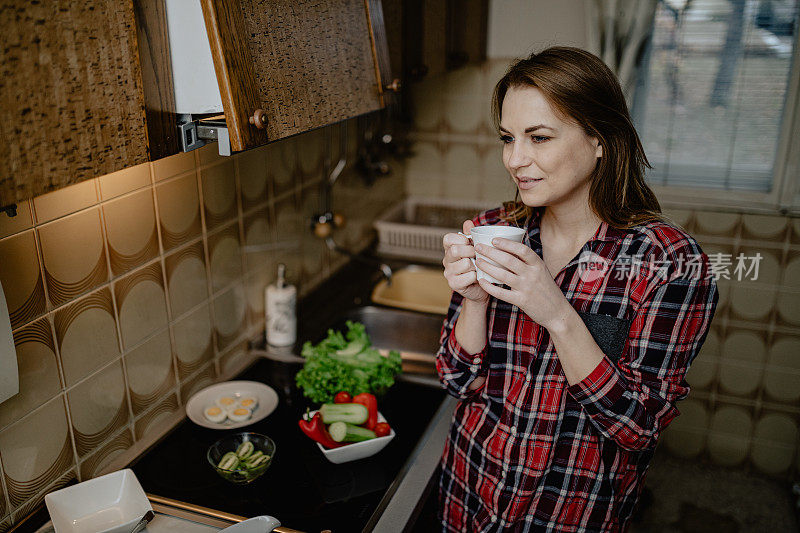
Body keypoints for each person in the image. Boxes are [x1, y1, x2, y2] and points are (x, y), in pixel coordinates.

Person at [436, 47, 718, 532]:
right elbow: (457, 381)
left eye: (539, 138)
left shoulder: (669, 263)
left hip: (570, 514)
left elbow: (638, 426)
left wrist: (559, 315)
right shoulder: (493, 231)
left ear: (600, 139)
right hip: (468, 495)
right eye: (508, 138)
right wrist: (475, 303)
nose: (515, 159)